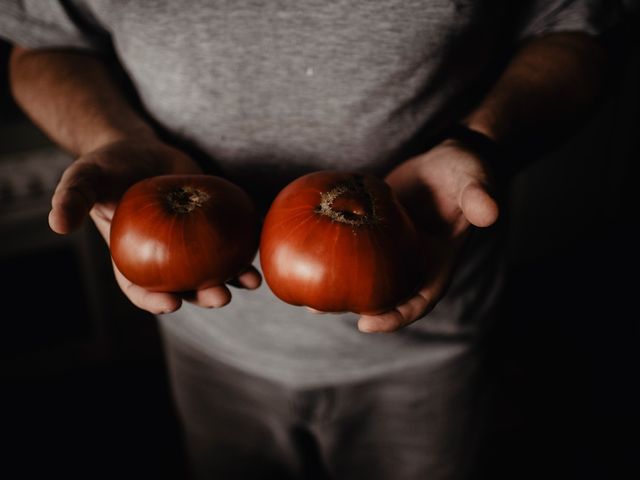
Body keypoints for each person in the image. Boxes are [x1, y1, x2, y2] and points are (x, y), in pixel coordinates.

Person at [0, 1, 620, 479]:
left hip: (434, 338)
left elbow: (583, 26)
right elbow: (40, 42)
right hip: (208, 341)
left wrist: (481, 141)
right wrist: (111, 136)